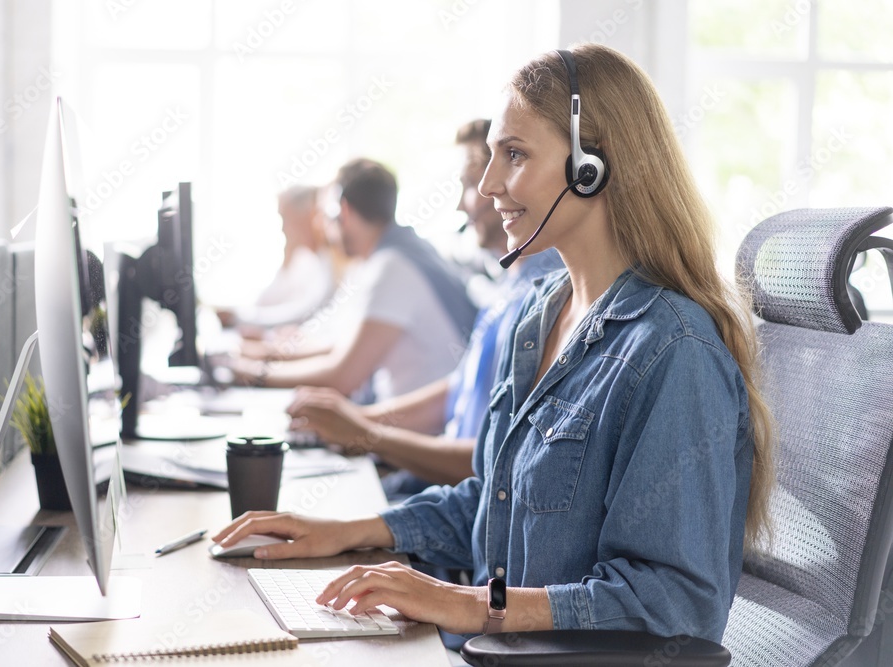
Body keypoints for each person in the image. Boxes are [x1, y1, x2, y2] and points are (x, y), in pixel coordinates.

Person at [212, 44, 774, 642]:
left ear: (592, 166)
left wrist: (477, 604)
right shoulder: (540, 316)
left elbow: (677, 601)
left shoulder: (672, 350)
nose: (487, 184)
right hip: (488, 649)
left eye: (514, 155)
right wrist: (348, 530)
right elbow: (492, 503)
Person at [286, 119, 564, 497]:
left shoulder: (546, 295)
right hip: (446, 488)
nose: (464, 201)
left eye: (468, 183)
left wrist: (366, 433)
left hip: (463, 504)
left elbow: (495, 461)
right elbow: (458, 391)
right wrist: (356, 421)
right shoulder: (511, 285)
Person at [225, 158, 478, 403]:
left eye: (325, 215)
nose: (322, 227)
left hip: (410, 433)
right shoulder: (399, 253)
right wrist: (265, 356)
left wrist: (251, 372)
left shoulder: (391, 268)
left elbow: (343, 375)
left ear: (343, 211)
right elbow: (340, 346)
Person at [217, 185, 333, 332]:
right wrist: (285, 264)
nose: (283, 229)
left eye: (286, 218)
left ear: (307, 216)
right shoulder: (302, 260)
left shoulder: (328, 263)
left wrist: (240, 318)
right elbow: (263, 302)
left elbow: (304, 314)